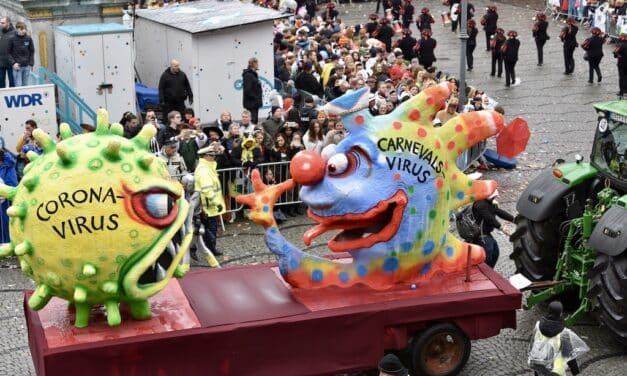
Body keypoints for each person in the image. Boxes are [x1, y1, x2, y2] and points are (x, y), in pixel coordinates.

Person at [528, 301, 588, 376]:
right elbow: (568, 355)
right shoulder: (563, 333)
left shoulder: (538, 326)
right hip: (555, 370)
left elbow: (532, 344)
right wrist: (575, 372)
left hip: (539, 365)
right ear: (560, 313)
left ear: (548, 311)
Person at [195, 142, 226, 257]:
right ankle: (210, 250)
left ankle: (210, 249)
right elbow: (207, 190)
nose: (214, 157)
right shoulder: (204, 170)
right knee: (210, 230)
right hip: (209, 206)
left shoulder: (208, 168)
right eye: (212, 155)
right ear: (206, 156)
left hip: (210, 205)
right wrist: (217, 203)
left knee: (210, 229)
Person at [471, 190, 514, 268]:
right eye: (493, 197)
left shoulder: (490, 203)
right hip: (480, 234)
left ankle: (488, 271)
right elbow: (489, 218)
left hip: (486, 233)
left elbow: (500, 212)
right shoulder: (480, 204)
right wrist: (501, 228)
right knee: (488, 255)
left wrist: (515, 219)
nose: (494, 198)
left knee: (495, 252)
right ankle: (484, 273)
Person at [158, 59, 193, 123]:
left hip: (180, 102)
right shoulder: (165, 76)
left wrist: (190, 96)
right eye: (176, 66)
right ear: (171, 66)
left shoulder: (182, 74)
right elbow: (161, 89)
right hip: (169, 102)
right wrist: (161, 100)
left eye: (178, 66)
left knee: (181, 118)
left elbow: (187, 86)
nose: (178, 67)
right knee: (169, 119)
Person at [8, 22, 34, 87]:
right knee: (18, 86)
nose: (24, 31)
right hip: (17, 66)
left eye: (24, 29)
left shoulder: (28, 38)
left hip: (26, 66)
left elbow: (32, 51)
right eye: (21, 29)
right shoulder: (12, 39)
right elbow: (8, 53)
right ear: (17, 29)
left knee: (25, 85)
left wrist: (31, 63)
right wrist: (13, 63)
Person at [242, 57, 263, 124]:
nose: (258, 65)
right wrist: (255, 97)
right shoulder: (248, 75)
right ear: (253, 64)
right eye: (257, 63)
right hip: (251, 103)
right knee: (252, 120)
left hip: (255, 103)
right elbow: (247, 90)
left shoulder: (253, 75)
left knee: (255, 120)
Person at [0, 17, 15, 88]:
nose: (0, 24)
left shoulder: (14, 33)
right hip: (0, 62)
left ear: (8, 23)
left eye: (3, 23)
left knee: (12, 82)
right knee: (1, 83)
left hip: (11, 62)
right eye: (0, 23)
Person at [613, 28, 627, 98]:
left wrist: (616, 55)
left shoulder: (620, 44)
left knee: (621, 77)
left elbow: (615, 52)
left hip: (621, 63)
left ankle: (621, 91)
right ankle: (626, 91)